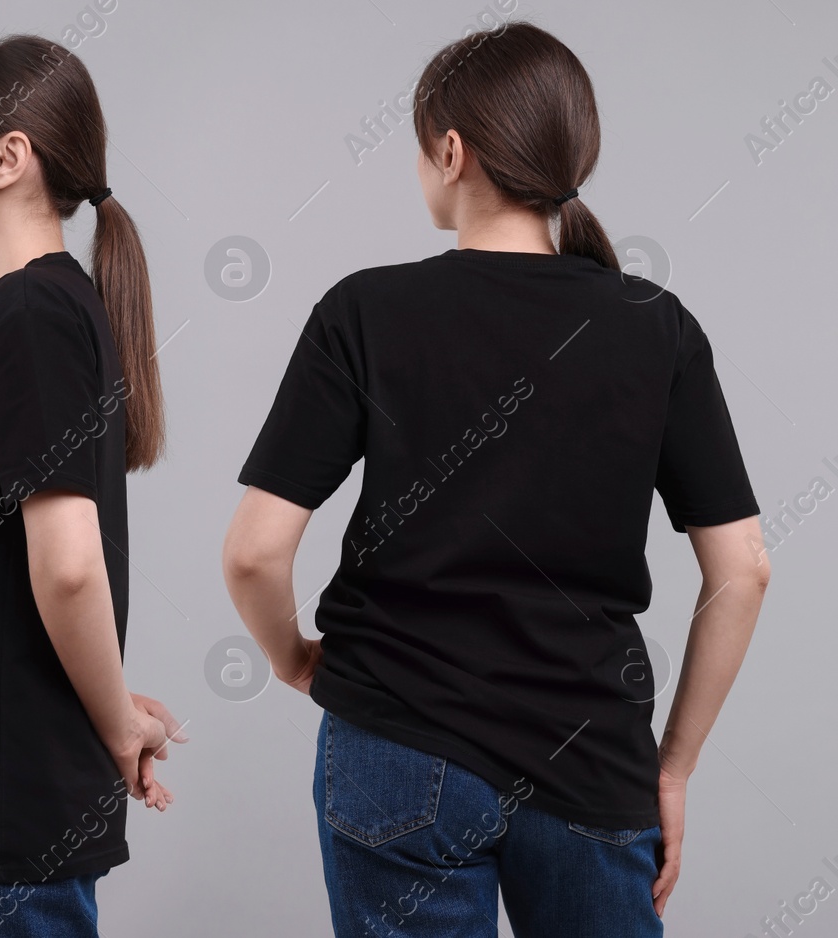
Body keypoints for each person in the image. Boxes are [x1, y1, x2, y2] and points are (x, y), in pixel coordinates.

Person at [221, 21, 768, 938]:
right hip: (591, 759)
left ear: (449, 149)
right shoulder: (655, 326)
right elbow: (744, 570)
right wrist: (670, 768)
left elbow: (253, 553)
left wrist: (293, 659)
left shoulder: (365, 310)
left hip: (395, 746)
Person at [0, 33, 187, 938]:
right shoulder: (29, 311)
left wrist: (119, 721)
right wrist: (115, 705)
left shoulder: (31, 314)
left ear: (10, 157)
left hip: (5, 796)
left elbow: (69, 569)